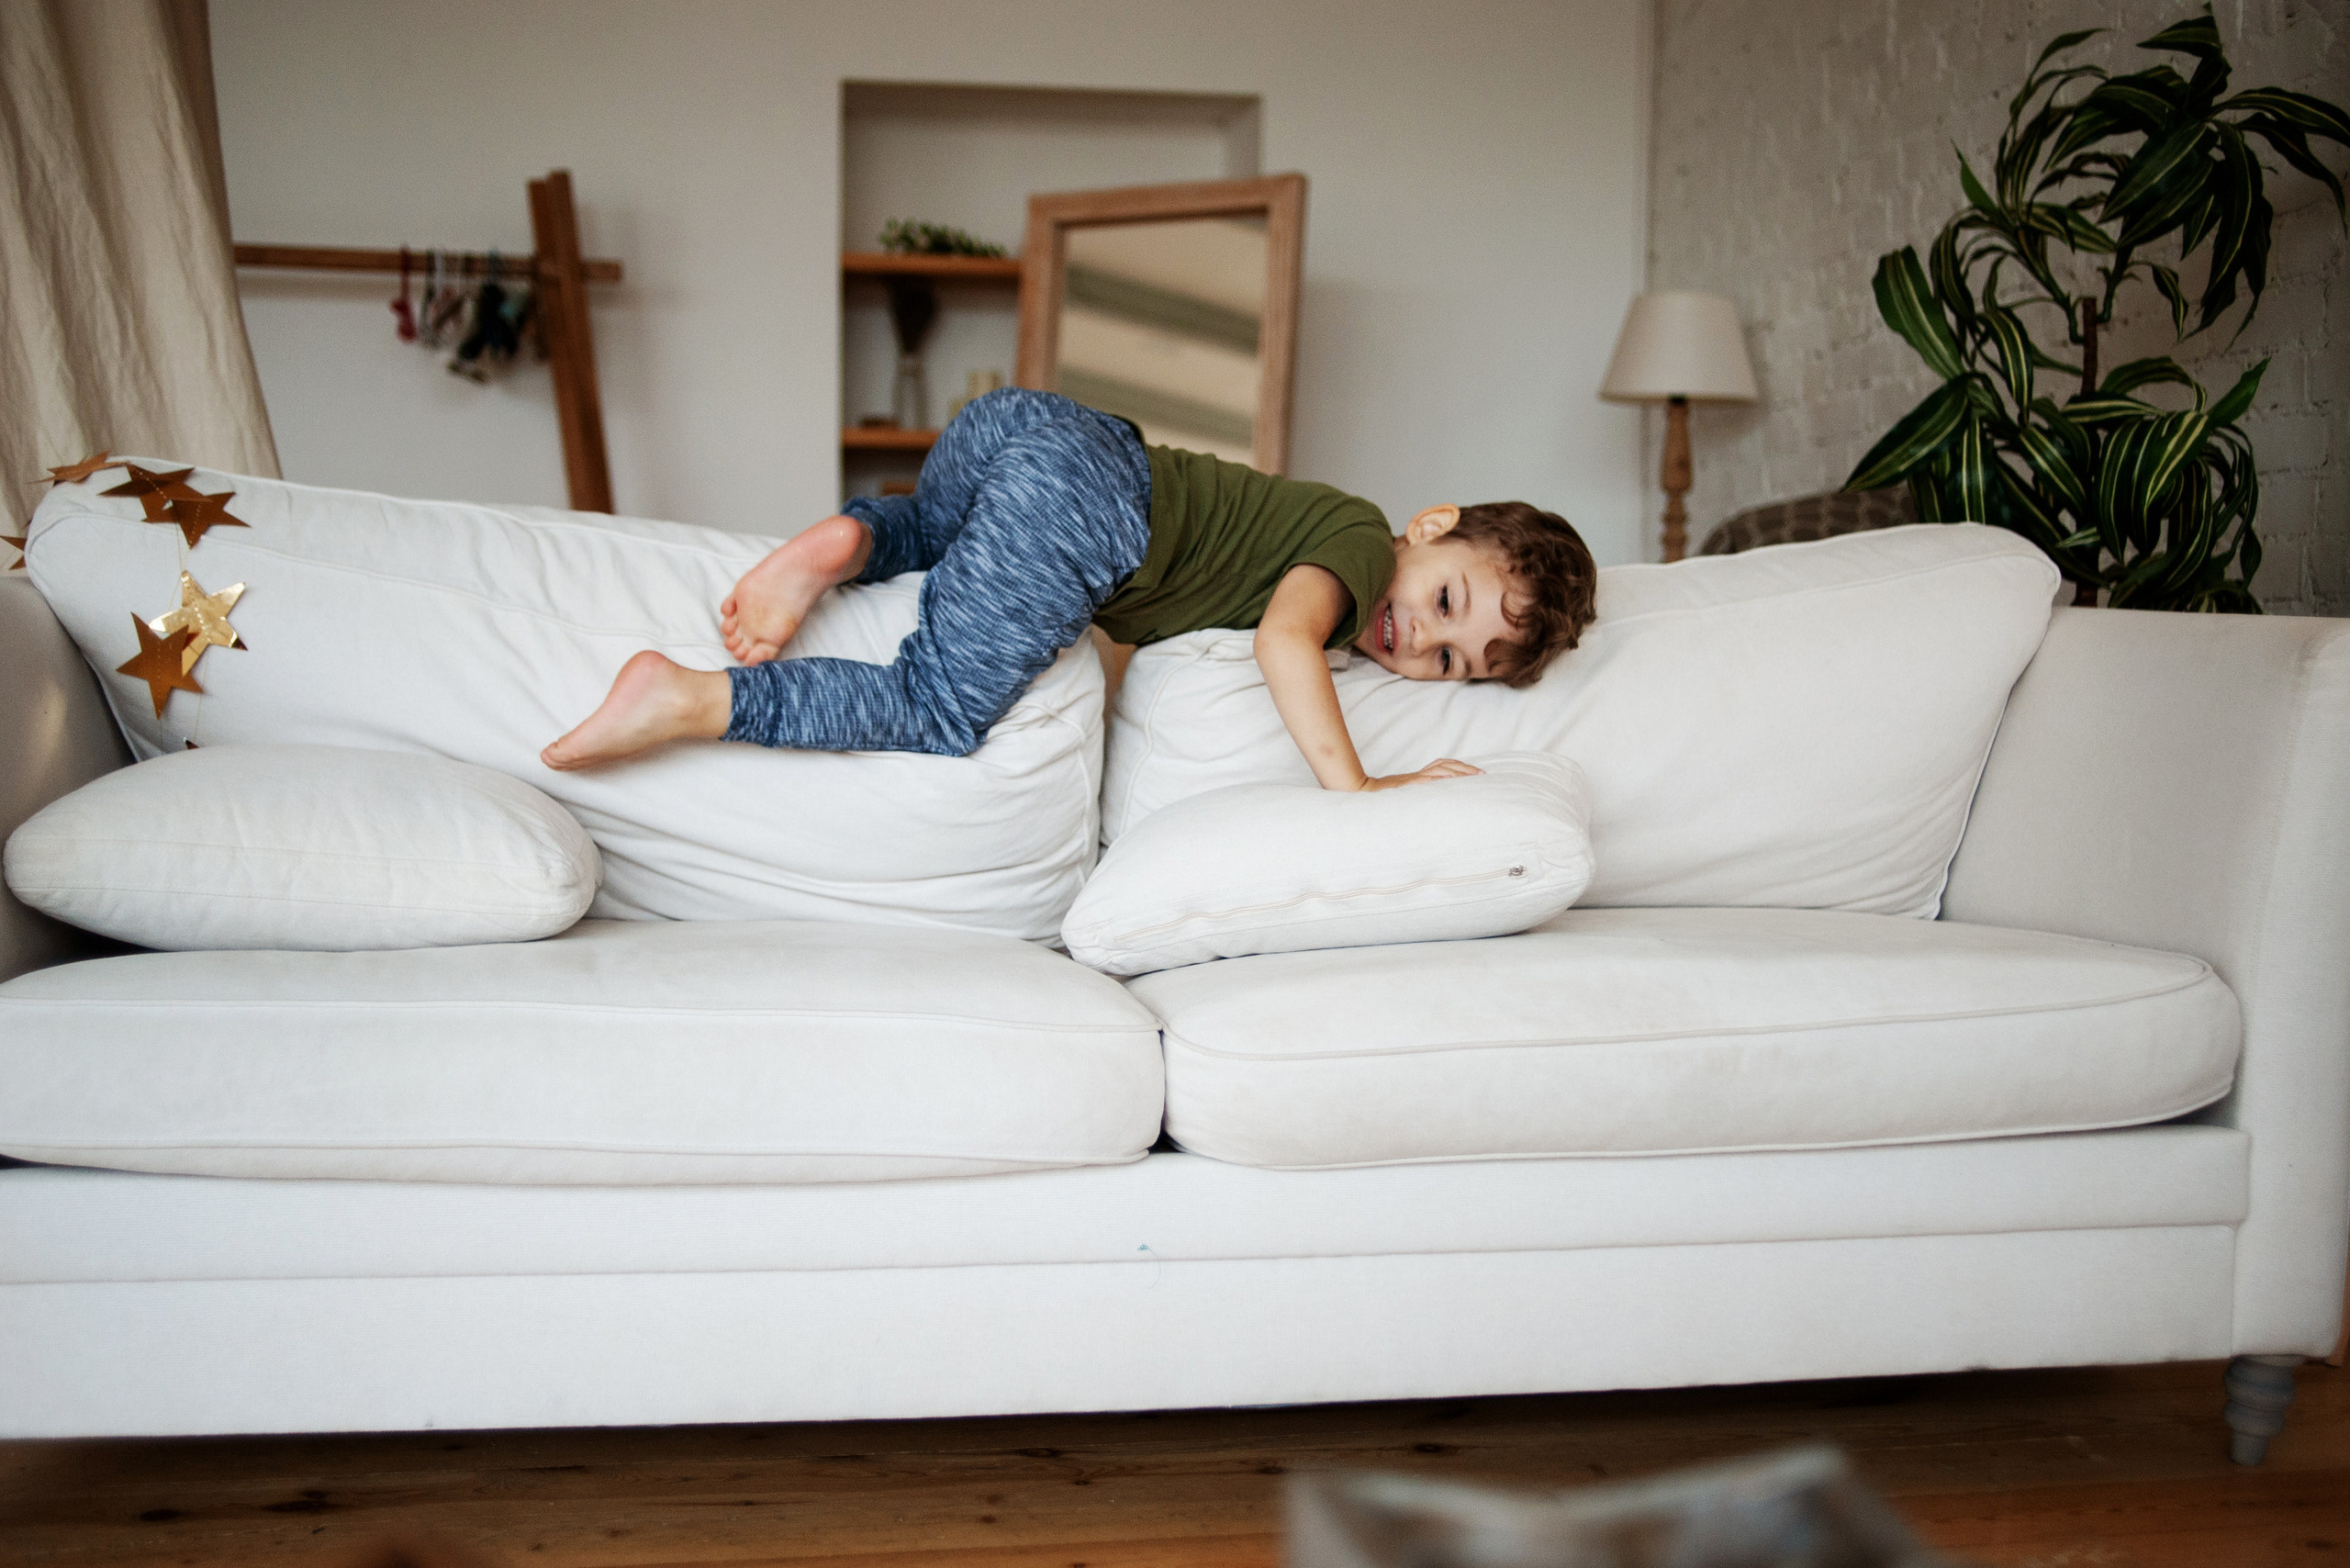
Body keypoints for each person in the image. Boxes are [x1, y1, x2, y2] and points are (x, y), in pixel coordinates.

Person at [543, 388, 1596, 789]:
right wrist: (1357, 790)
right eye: (1445, 604)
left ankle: (852, 533)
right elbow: (1283, 642)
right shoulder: (1358, 548)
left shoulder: (1328, 526)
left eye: (1446, 661)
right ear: (1427, 528)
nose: (1414, 640)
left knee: (947, 537)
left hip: (1033, 429)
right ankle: (687, 698)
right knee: (937, 706)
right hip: (1090, 506)